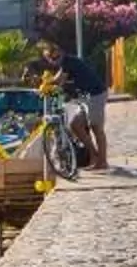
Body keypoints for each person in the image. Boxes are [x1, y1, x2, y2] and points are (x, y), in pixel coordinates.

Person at [43, 37, 110, 169]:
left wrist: (46, 84)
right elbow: (56, 79)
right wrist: (45, 82)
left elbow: (60, 81)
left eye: (51, 57)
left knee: (97, 128)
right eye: (48, 58)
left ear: (58, 53)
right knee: (75, 124)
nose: (50, 60)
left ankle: (102, 161)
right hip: (86, 97)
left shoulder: (68, 62)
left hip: (96, 94)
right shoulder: (66, 62)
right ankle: (94, 155)